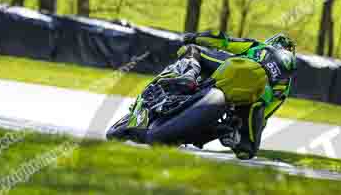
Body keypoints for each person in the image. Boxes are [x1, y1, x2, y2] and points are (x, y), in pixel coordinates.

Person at [125, 31, 296, 160]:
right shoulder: (285, 86)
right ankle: (234, 136)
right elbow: (266, 114)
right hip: (249, 102)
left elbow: (224, 41)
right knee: (247, 149)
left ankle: (189, 74)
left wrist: (195, 37)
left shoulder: (257, 46)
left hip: (232, 70)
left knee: (194, 50)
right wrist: (245, 131)